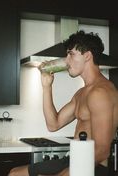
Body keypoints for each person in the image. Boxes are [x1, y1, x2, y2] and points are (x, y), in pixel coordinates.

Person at [8, 30, 118, 176]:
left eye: (71, 54)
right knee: (15, 173)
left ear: (87, 56)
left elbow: (102, 150)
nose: (66, 60)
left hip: (94, 166)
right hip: (75, 159)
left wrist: (66, 173)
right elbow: (53, 124)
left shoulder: (100, 93)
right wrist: (47, 87)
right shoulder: (82, 93)